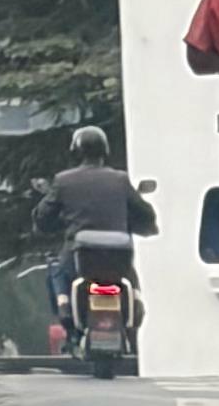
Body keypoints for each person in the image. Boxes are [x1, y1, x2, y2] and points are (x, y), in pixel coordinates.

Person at [42, 124, 155, 338]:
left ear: (76, 151)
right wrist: (145, 226)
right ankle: (136, 301)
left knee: (57, 270)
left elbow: (43, 217)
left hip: (79, 255)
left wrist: (49, 224)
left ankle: (65, 305)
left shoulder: (63, 181)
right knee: (130, 276)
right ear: (105, 150)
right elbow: (146, 214)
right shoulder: (120, 179)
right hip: (118, 257)